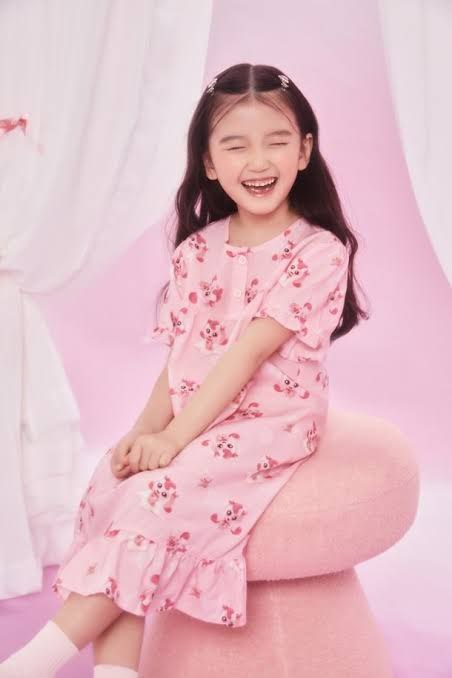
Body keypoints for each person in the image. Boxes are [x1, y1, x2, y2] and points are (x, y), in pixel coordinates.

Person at [0, 62, 368, 677]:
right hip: (197, 413)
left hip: (267, 422)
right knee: (112, 487)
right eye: (236, 145)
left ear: (304, 151)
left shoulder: (318, 251)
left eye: (277, 142)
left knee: (153, 497)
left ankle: (28, 664)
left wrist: (172, 441)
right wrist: (142, 433)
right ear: (208, 162)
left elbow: (247, 353)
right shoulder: (197, 250)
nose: (258, 161)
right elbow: (182, 359)